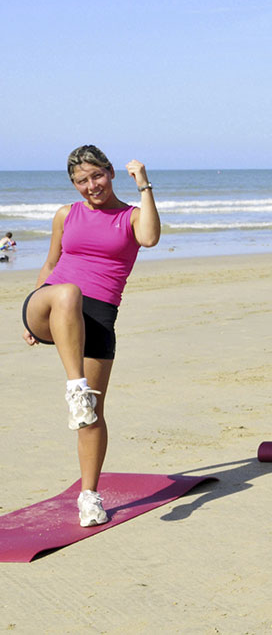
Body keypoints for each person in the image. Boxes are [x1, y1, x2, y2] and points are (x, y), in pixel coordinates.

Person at [20, 145, 160, 527]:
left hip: (98, 319)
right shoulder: (67, 213)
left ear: (111, 173)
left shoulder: (130, 217)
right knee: (68, 291)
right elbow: (51, 263)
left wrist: (144, 184)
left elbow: (149, 238)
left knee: (91, 415)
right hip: (50, 304)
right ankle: (74, 385)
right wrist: (32, 314)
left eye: (96, 176)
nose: (91, 186)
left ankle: (89, 496)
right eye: (81, 181)